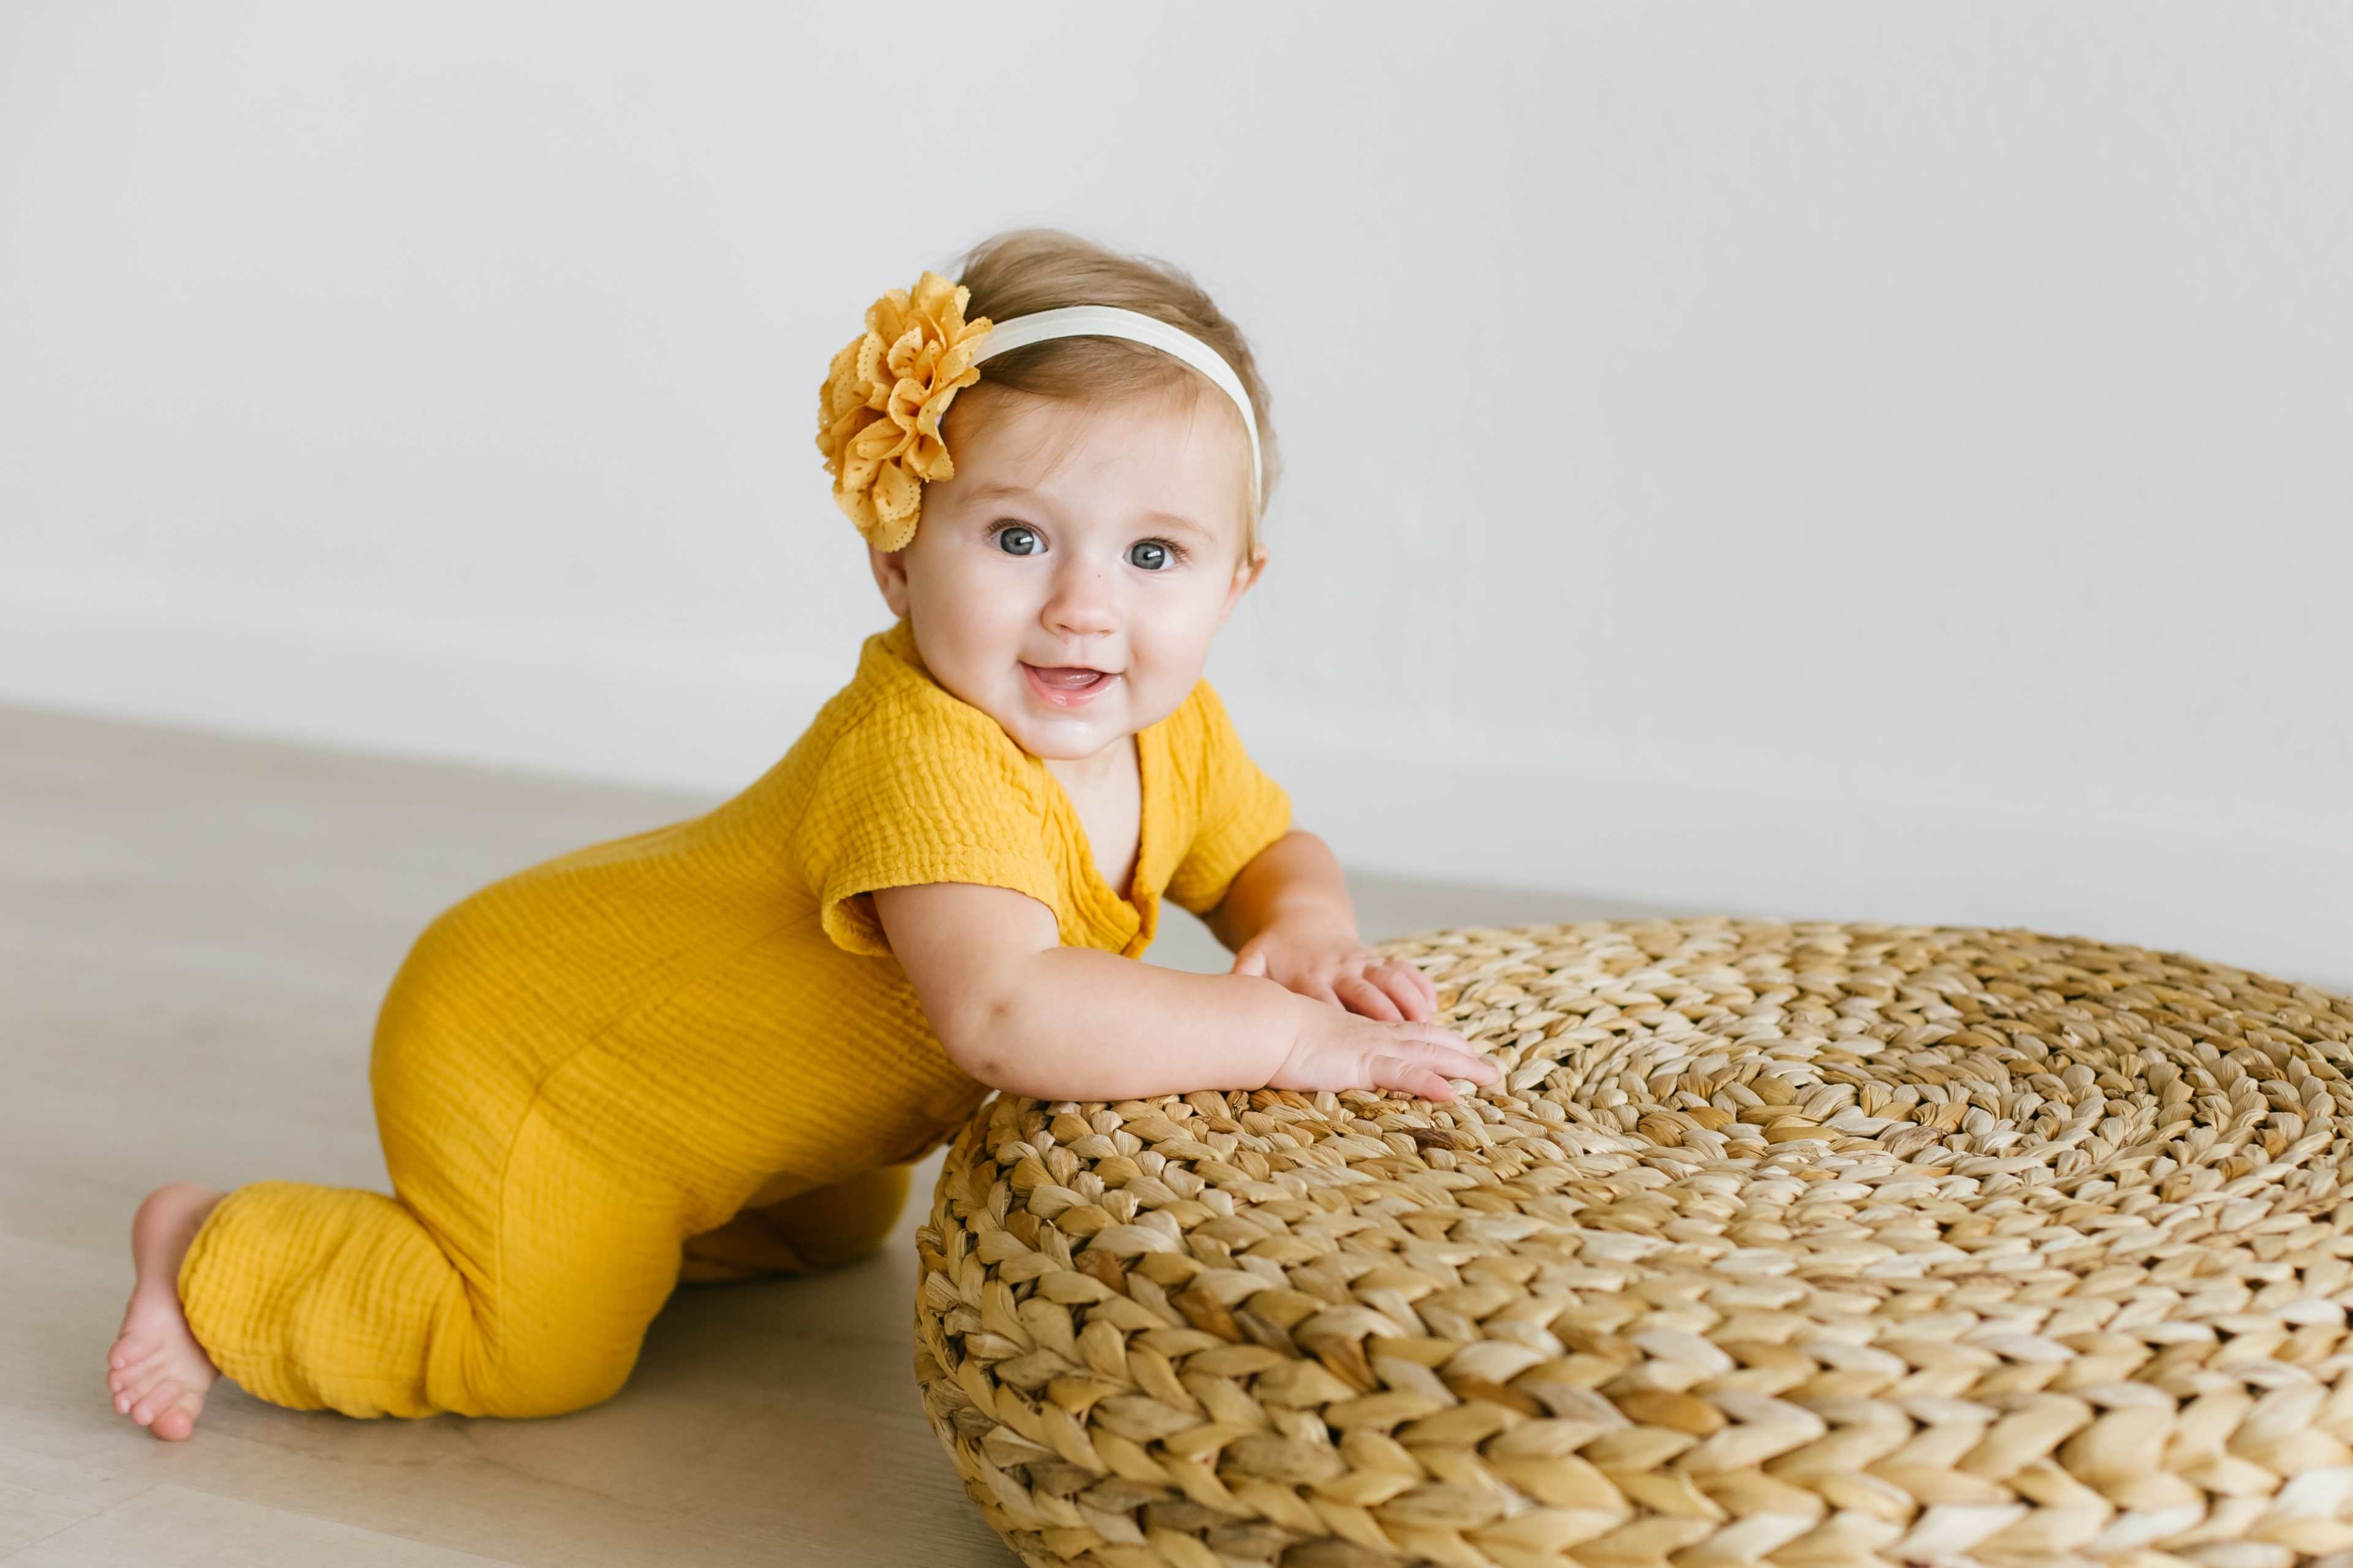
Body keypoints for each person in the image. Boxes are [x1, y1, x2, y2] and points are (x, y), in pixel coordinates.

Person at [104, 227, 1498, 1440]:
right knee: (537, 1358)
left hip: (700, 1075)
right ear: (898, 548)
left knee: (843, 1227)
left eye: (1152, 556)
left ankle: (660, 1223)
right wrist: (1295, 1039)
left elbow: (1267, 849)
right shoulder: (924, 755)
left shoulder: (1161, 728)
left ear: (1236, 582)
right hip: (542, 1060)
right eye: (1018, 539)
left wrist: (1299, 924)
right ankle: (218, 1250)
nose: (1085, 605)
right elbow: (1009, 1010)